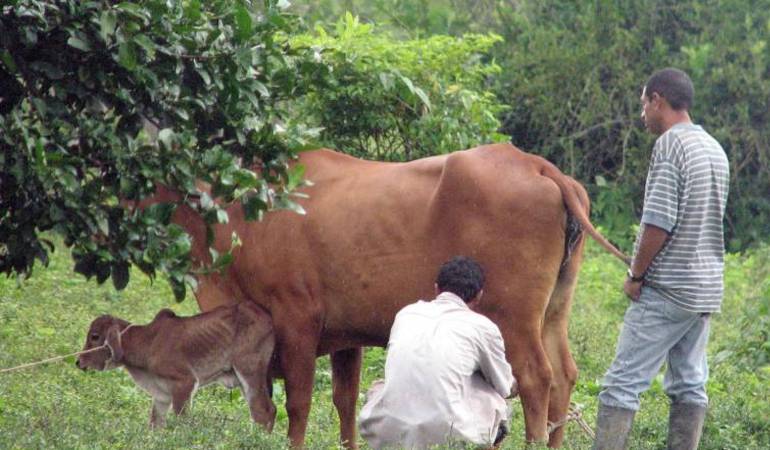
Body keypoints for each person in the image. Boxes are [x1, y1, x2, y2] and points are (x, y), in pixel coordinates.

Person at [593, 68, 730, 450]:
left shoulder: (671, 145)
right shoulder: (713, 148)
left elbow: (658, 221)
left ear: (658, 100)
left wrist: (636, 275)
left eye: (643, 104)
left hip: (668, 288)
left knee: (621, 385)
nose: (642, 114)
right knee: (689, 384)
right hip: (704, 290)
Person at [358, 256, 517, 449]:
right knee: (495, 398)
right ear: (478, 296)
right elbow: (504, 386)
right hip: (452, 437)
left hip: (387, 433)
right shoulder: (483, 327)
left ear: (436, 289)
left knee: (379, 387)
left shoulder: (406, 314)